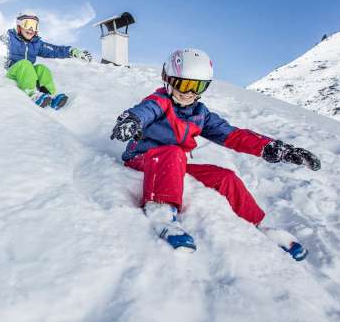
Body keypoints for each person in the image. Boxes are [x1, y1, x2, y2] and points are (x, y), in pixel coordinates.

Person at [110, 48, 320, 260]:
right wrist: (132, 120)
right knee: (174, 152)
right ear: (168, 79)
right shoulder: (159, 101)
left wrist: (274, 148)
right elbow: (145, 111)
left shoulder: (201, 115)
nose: (188, 92)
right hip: (143, 160)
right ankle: (162, 213)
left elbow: (234, 136)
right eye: (183, 84)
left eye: (197, 86)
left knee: (225, 177)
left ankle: (261, 226)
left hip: (174, 165)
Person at [3, 12, 92, 109]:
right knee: (25, 64)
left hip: (26, 74)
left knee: (41, 69)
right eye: (27, 24)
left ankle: (51, 97)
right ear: (19, 25)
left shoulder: (36, 44)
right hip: (10, 72)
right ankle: (33, 94)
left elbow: (54, 50)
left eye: (34, 25)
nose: (31, 29)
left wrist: (72, 51)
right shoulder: (9, 37)